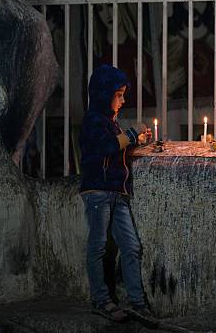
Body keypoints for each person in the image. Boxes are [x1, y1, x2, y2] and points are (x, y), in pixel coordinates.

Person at [79, 64, 152, 321]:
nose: (122, 100)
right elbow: (107, 147)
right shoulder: (93, 121)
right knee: (98, 246)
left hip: (117, 193)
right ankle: (100, 299)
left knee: (131, 246)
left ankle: (136, 302)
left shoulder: (111, 121)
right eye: (118, 95)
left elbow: (118, 148)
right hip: (98, 192)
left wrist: (136, 140)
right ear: (103, 94)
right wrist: (132, 133)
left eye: (123, 94)